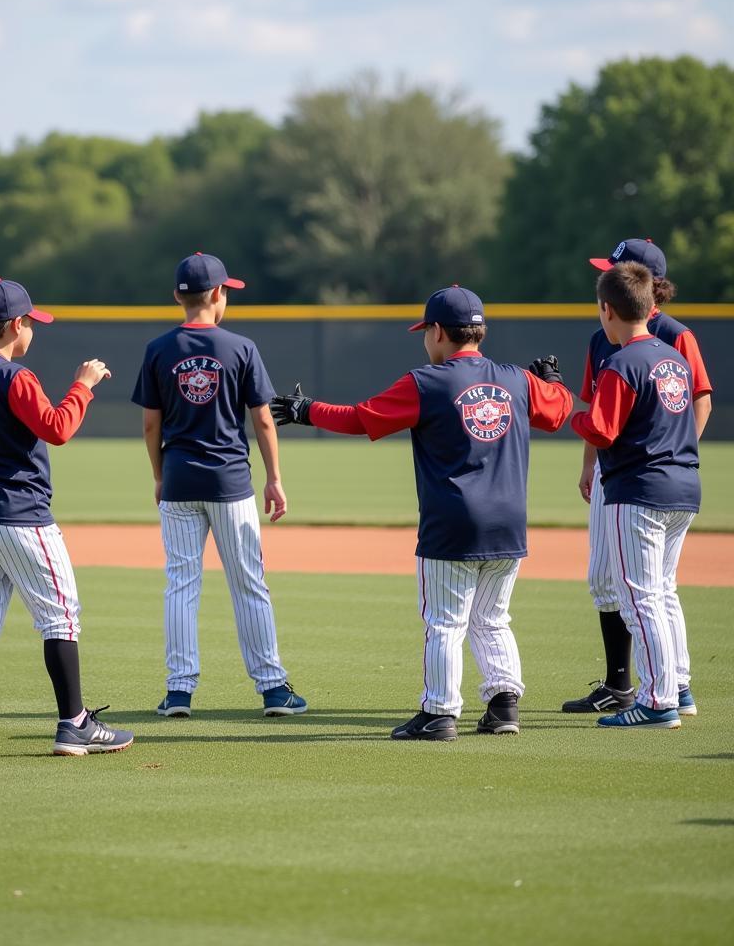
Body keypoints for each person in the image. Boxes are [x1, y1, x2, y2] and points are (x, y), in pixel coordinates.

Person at [271, 286, 573, 741]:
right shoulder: (516, 379)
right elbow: (559, 412)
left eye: (425, 331)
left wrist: (305, 410)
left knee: (445, 621)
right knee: (492, 618)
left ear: (437, 332)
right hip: (509, 523)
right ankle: (504, 705)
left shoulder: (427, 383)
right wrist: (550, 383)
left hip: (452, 523)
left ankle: (439, 713)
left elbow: (360, 418)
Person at [0, 278, 133, 759]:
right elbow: (58, 428)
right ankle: (75, 723)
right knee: (61, 617)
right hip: (20, 515)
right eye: (31, 324)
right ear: (18, 326)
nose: (33, 332)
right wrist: (82, 387)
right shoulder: (15, 377)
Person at [131, 252, 307, 719]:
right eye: (225, 290)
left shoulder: (158, 349)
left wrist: (158, 475)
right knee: (248, 583)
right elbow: (264, 422)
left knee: (181, 585)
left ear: (178, 296)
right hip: (231, 483)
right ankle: (272, 689)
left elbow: (151, 425)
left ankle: (179, 693)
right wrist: (274, 478)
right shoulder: (240, 347)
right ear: (216, 295)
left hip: (180, 480)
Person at [563, 239, 712, 717]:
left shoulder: (659, 343)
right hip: (668, 476)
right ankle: (673, 688)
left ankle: (657, 697)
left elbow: (600, 422)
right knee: (657, 589)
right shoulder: (640, 349)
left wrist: (565, 411)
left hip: (643, 477)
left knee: (642, 593)